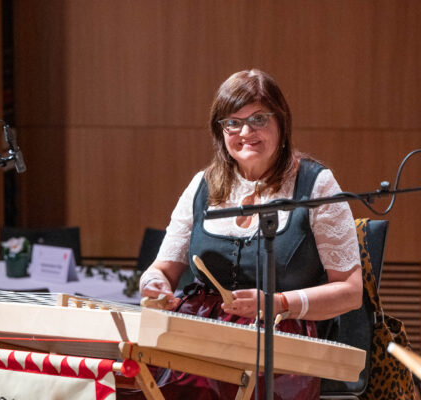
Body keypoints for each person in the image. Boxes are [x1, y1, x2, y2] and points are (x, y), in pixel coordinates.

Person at [136, 69, 362, 400]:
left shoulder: (316, 185)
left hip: (281, 350)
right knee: (134, 385)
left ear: (281, 124)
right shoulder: (202, 185)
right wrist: (154, 283)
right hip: (198, 343)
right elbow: (161, 270)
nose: (246, 132)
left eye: (258, 119)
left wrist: (279, 303)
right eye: (233, 122)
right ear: (220, 131)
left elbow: (351, 292)